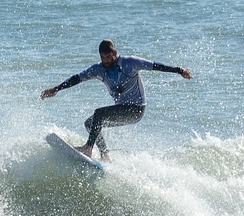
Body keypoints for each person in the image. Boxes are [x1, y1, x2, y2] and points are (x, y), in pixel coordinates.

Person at [40, 39, 193, 160]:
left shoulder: (130, 63)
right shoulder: (98, 69)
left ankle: (88, 148)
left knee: (98, 114)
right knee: (90, 123)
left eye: (108, 57)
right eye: (102, 57)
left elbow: (156, 66)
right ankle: (105, 155)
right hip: (122, 109)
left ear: (115, 53)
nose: (105, 60)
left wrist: (180, 71)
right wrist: (56, 89)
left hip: (136, 109)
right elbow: (77, 78)